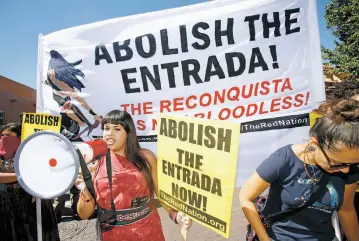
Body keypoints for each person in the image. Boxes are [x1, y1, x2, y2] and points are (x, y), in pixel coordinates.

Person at [239, 99, 359, 241]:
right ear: (314, 144)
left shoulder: (348, 167)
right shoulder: (285, 159)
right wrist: (265, 238)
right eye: (336, 163)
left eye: (351, 164)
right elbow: (246, 197)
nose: (345, 171)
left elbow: (346, 209)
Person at [76, 110, 192, 241]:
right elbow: (84, 214)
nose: (109, 133)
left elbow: (162, 193)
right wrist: (84, 191)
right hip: (112, 235)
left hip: (148, 230)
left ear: (128, 133)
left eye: (117, 129)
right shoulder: (94, 165)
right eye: (106, 128)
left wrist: (175, 214)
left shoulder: (146, 158)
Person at [0, 123, 60, 241]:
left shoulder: (32, 153)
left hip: (32, 201)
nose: (3, 139)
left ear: (19, 137)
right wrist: (24, 175)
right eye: (2, 135)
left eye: (8, 135)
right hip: (7, 204)